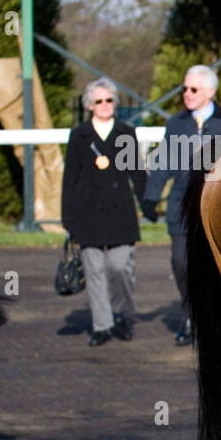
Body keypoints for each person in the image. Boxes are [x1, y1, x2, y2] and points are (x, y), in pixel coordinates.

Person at [142, 65, 221, 345]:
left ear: (210, 92)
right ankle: (191, 316)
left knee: (218, 267)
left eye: (193, 89)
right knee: (180, 262)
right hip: (180, 207)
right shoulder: (176, 123)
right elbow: (164, 160)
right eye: (184, 89)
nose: (186, 94)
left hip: (219, 208)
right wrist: (151, 196)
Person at [61, 77, 146, 346]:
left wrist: (149, 202)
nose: (105, 105)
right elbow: (69, 178)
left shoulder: (126, 133)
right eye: (99, 100)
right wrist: (68, 218)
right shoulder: (78, 136)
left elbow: (137, 173)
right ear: (89, 105)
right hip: (87, 212)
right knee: (94, 269)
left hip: (120, 211)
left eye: (109, 100)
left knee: (120, 267)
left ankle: (122, 314)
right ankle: (101, 325)